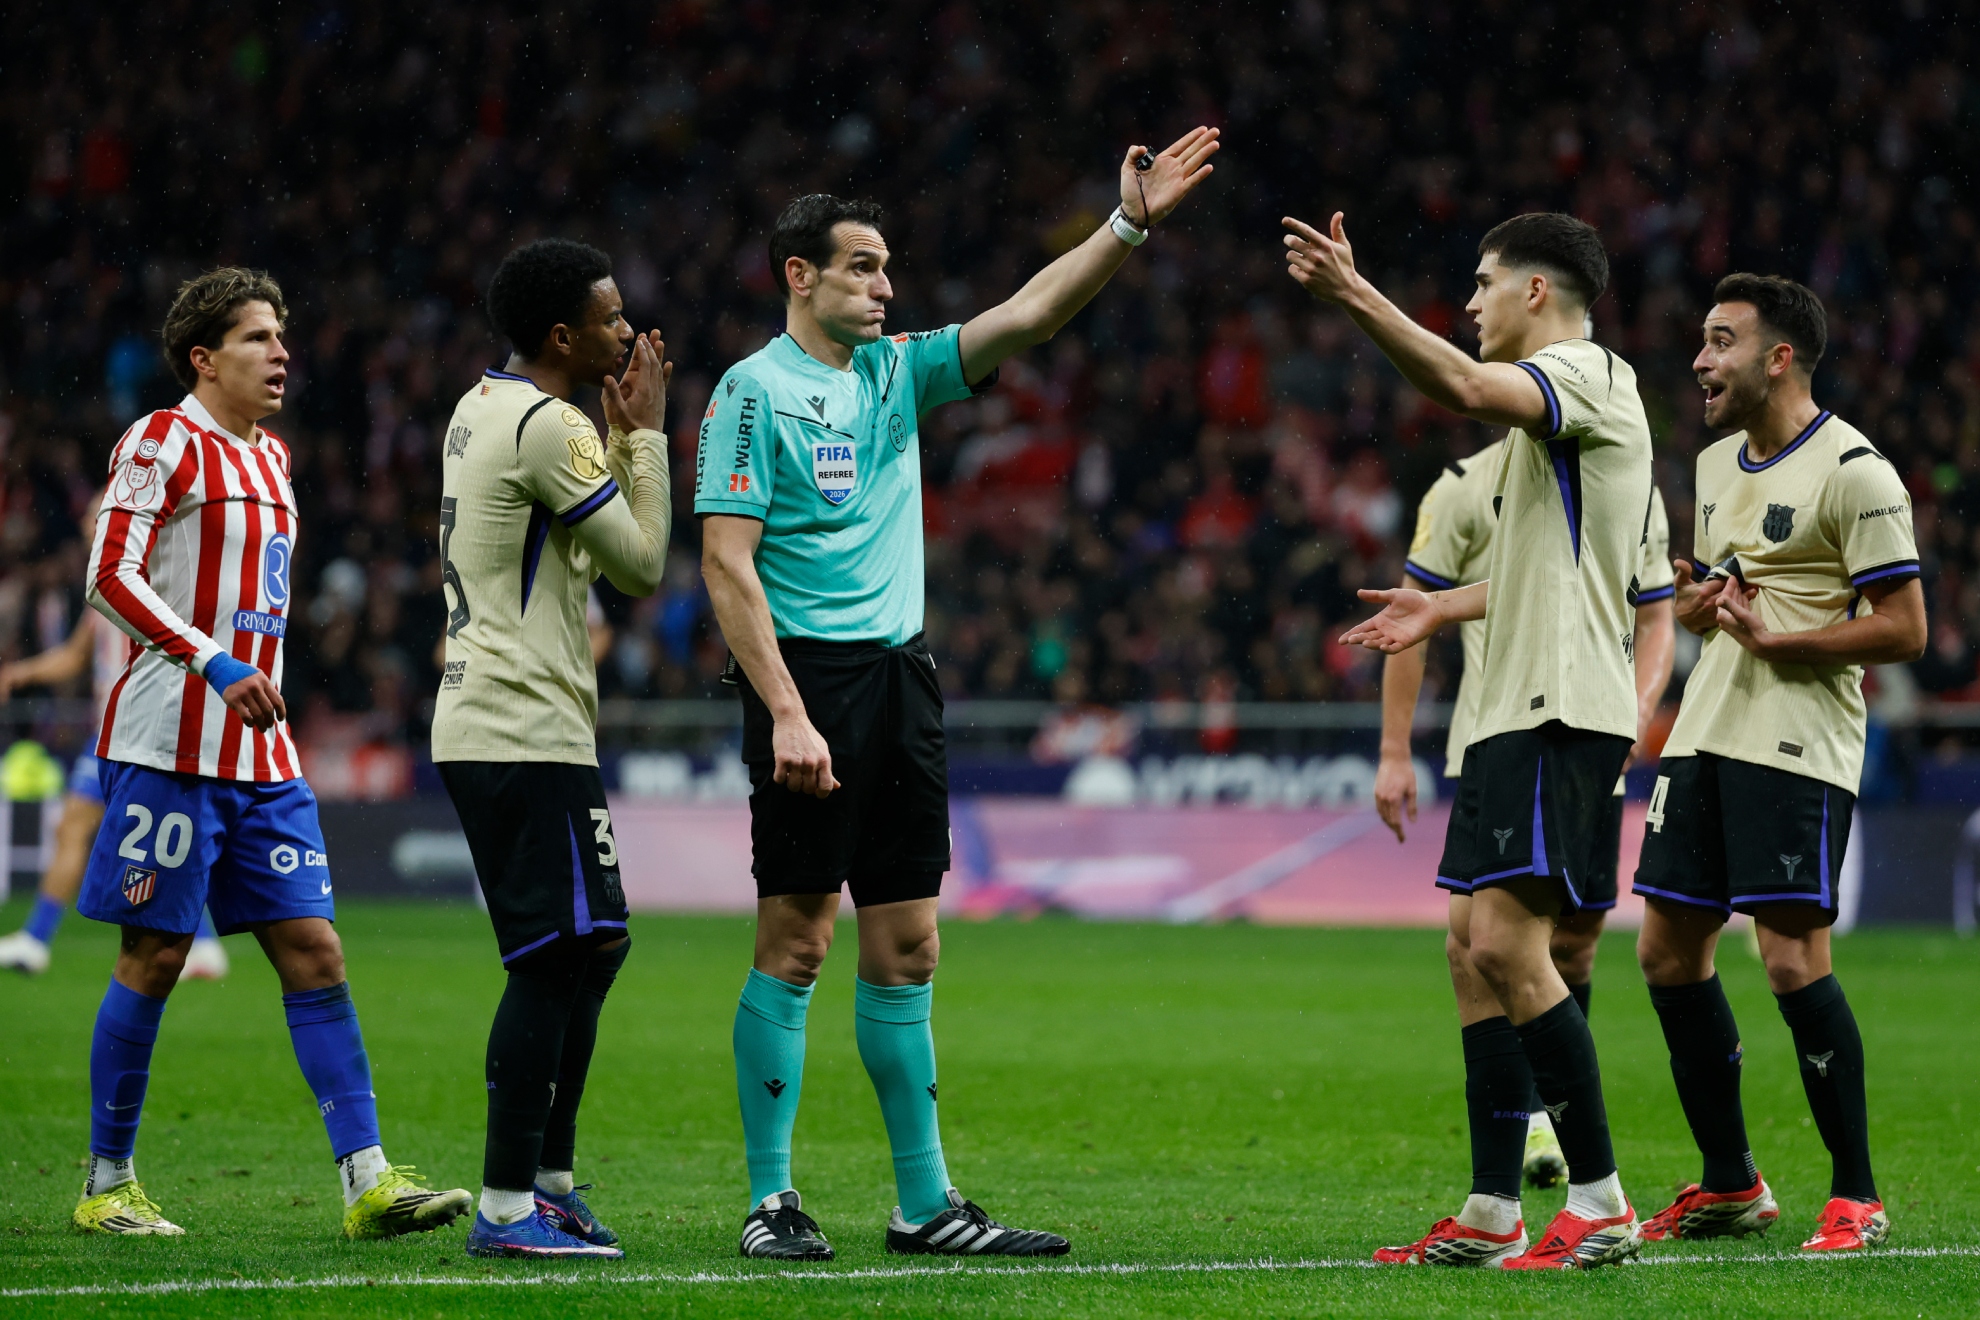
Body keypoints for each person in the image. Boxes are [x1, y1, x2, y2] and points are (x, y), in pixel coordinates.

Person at [698, 128, 1219, 1261]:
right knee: (796, 939)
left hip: (902, 677)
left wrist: (1127, 224)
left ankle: (924, 1206)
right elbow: (727, 563)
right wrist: (785, 708)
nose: (887, 287)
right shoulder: (751, 392)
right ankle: (770, 1203)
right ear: (802, 276)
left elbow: (1028, 315)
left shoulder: (896, 372)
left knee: (912, 947)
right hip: (812, 679)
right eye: (863, 267)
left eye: (887, 269)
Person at [70, 267, 469, 1239]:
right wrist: (210, 661)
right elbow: (106, 576)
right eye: (257, 337)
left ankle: (367, 1182)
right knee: (156, 955)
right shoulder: (161, 442)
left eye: (282, 334)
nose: (281, 351)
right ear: (204, 357)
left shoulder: (275, 459)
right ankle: (107, 1183)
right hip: (169, 745)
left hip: (264, 755)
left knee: (316, 951)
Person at [1289, 209, 1652, 1269]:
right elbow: (1558, 572)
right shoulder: (1535, 448)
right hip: (1513, 712)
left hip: (1558, 705)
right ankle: (1495, 1210)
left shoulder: (1587, 373)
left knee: (1507, 946)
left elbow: (1454, 383)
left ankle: (1601, 1199)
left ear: (1538, 290)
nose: (1472, 301)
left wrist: (1356, 295)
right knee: (1470, 955)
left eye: (1485, 283)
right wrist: (1443, 612)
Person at [1632, 275, 1923, 1253]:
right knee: (1667, 953)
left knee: (1793, 958)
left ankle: (1857, 1195)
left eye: (1721, 343)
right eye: (1703, 342)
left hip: (1798, 741)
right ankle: (1730, 1184)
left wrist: (1780, 637)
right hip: (1706, 731)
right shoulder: (1715, 465)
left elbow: (1906, 629)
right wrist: (1703, 607)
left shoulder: (1856, 471)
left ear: (1780, 357)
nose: (1702, 362)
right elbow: (1722, 600)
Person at [431, 238, 671, 1260]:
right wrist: (648, 439)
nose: (628, 332)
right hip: (522, 726)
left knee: (595, 944)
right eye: (613, 319)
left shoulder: (482, 405)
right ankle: (505, 1206)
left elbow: (575, 547)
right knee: (550, 959)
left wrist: (609, 449)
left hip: (511, 721)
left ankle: (552, 1183)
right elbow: (643, 566)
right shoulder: (545, 424)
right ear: (563, 336)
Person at [1379, 444, 1675, 1189]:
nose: (1477, 317)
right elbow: (1408, 617)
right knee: (1488, 945)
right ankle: (1538, 1157)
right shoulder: (1461, 487)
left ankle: (1556, 1167)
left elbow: (1655, 615)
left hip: (1582, 741)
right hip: (1496, 738)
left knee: (1569, 948)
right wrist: (1392, 749)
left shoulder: (1622, 475)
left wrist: (1636, 718)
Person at [0, 506, 228, 981]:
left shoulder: (158, 584)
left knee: (132, 840)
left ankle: (39, 940)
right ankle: (200, 945)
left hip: (140, 733)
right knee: (101, 834)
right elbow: (74, 657)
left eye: (97, 515)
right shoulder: (106, 584)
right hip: (113, 732)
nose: (89, 523)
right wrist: (20, 673)